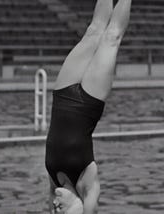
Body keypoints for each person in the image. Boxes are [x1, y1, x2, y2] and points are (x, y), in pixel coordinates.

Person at [45, 0, 131, 213]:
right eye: (61, 212)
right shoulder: (87, 185)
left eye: (54, 211)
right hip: (88, 102)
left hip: (62, 94)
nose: (55, 207)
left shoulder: (54, 182)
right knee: (111, 37)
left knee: (93, 31)